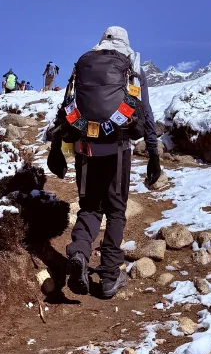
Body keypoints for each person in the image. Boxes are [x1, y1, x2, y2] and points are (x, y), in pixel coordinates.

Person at [46, 26, 161, 299]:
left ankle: (80, 255)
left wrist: (56, 147)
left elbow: (67, 107)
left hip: (84, 148)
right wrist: (153, 154)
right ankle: (110, 276)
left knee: (89, 207)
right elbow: (145, 112)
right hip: (117, 149)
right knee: (116, 211)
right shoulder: (132, 68)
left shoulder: (84, 64)